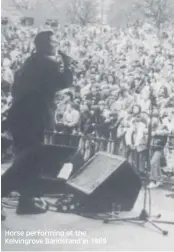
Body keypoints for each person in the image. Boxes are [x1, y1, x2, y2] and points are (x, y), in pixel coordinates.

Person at [1, 31, 73, 220]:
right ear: (45, 45)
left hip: (21, 118)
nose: (57, 44)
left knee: (29, 161)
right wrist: (68, 63)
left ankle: (26, 201)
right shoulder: (47, 64)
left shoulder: (29, 63)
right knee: (26, 161)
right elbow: (64, 82)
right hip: (32, 119)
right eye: (54, 41)